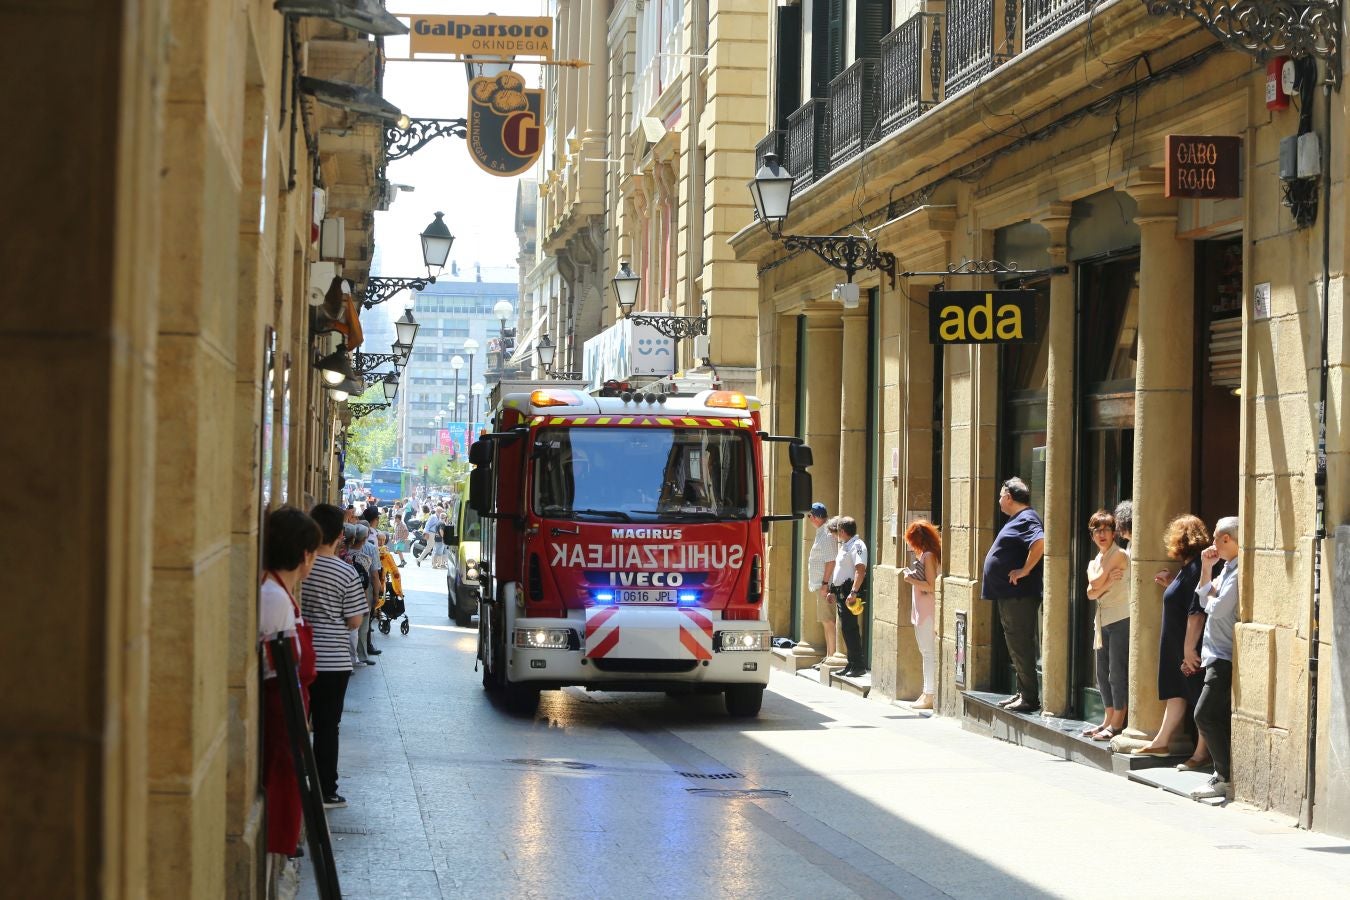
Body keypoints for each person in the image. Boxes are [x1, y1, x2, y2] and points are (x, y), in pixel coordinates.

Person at [259, 506, 321, 871]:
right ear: (302, 554)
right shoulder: (274, 597)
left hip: (291, 710)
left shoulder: (280, 593)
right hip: (281, 714)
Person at [301, 503, 368, 808]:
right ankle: (326, 788)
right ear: (340, 535)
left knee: (299, 721)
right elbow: (355, 620)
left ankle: (297, 780)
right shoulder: (346, 572)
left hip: (301, 655)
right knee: (328, 726)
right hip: (334, 661)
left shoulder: (300, 566)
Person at [1134, 514, 1211, 761]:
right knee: (1177, 692)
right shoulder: (1189, 568)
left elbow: (1197, 611)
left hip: (1189, 645)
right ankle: (1161, 742)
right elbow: (1186, 602)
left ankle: (1202, 752)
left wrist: (1190, 649)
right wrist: (1170, 585)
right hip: (1178, 643)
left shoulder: (1198, 567)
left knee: (1198, 696)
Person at [981, 477, 1045, 713]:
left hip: (1019, 595)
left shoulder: (1027, 518)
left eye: (1000, 495)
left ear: (1008, 497)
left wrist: (1025, 569)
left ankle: (1029, 698)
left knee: (1020, 643)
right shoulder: (1018, 519)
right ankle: (1022, 692)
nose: (999, 500)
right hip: (1010, 595)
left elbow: (1039, 542)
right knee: (1015, 643)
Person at [1189, 515, 1240, 800]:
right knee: (1212, 715)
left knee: (1204, 714)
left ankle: (1224, 777)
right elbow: (1203, 596)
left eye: (1216, 539)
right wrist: (1207, 568)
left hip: (1223, 654)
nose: (1212, 545)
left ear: (1226, 539)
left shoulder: (1238, 570)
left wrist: (1211, 598)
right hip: (1214, 652)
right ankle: (1222, 774)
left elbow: (1217, 608)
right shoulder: (1227, 568)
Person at [1082, 509, 1130, 741]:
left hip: (1121, 617)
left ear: (1114, 533)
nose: (1102, 534)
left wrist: (1101, 583)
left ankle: (1118, 723)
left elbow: (1094, 583)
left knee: (1116, 672)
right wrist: (1106, 581)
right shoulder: (1095, 561)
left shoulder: (1119, 554)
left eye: (1106, 530)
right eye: (1097, 530)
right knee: (1102, 673)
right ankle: (1107, 719)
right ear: (1092, 535)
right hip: (1102, 621)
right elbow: (1090, 591)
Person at [902, 519, 941, 710]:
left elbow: (932, 586)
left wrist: (910, 580)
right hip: (923, 610)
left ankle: (930, 694)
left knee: (928, 652)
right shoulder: (927, 555)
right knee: (926, 652)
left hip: (927, 611)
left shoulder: (928, 556)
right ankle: (927, 692)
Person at [829, 516, 869, 678]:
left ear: (842, 531)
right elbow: (840, 569)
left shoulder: (857, 546)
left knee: (851, 629)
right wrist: (832, 590)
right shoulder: (846, 545)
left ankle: (858, 665)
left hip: (850, 593)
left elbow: (860, 570)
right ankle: (851, 663)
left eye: (838, 531)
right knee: (845, 629)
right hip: (841, 593)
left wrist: (853, 593)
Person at [805, 503, 839, 662]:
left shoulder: (826, 534)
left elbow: (831, 561)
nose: (809, 519)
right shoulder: (822, 532)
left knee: (828, 620)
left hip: (825, 585)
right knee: (825, 621)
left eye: (810, 516)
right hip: (821, 584)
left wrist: (825, 584)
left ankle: (832, 655)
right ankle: (828, 655)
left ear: (817, 517)